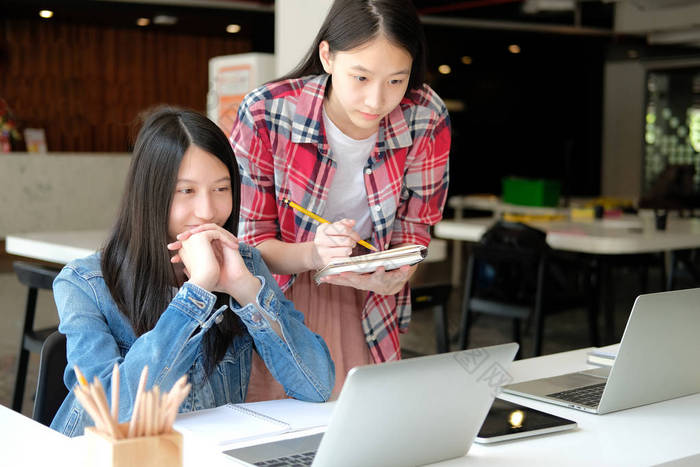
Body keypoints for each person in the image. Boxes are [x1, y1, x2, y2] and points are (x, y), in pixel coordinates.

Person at [187, 0, 450, 400]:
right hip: (277, 297)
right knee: (275, 438)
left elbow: (417, 226)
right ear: (327, 55)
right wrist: (316, 253)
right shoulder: (267, 112)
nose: (376, 100)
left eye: (396, 80)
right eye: (360, 77)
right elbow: (249, 241)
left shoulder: (424, 115)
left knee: (361, 435)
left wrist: (397, 272)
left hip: (371, 304)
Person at [50, 107, 335, 436]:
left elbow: (317, 386)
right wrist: (196, 292)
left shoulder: (242, 264)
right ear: (150, 194)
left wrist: (244, 288)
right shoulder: (84, 283)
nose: (208, 211)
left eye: (221, 189)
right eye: (186, 191)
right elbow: (112, 412)